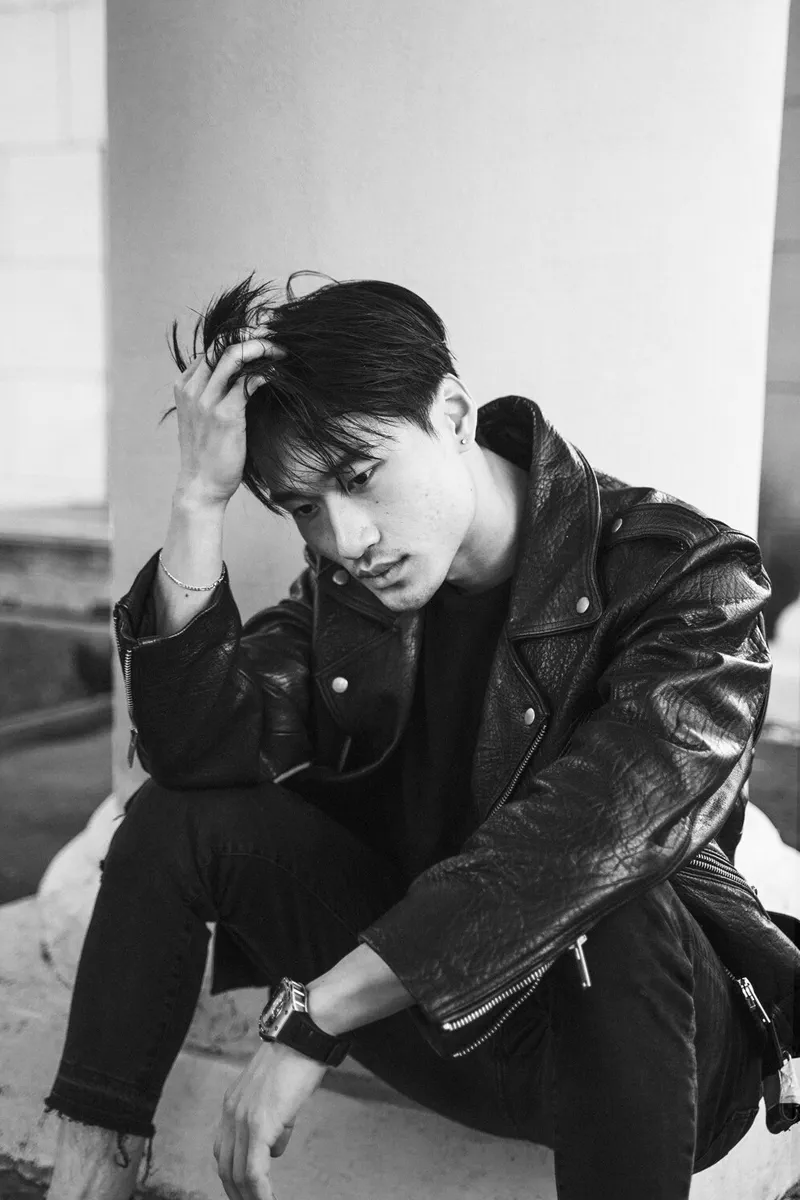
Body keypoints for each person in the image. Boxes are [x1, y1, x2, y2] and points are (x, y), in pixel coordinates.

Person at [43, 273, 799, 1200]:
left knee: (613, 901)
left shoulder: (686, 574)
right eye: (304, 507)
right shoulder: (345, 599)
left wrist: (316, 1014)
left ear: (452, 414)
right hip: (444, 1026)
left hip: (653, 1046)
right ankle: (90, 1172)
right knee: (175, 819)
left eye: (361, 477)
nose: (346, 537)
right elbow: (195, 758)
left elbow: (594, 841)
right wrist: (198, 501)